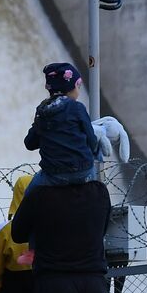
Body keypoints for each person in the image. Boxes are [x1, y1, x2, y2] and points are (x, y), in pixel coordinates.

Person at [24, 62, 100, 196]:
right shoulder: (77, 108)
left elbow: (29, 144)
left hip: (54, 175)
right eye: (78, 85)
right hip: (83, 171)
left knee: (28, 196)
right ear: (70, 87)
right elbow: (92, 140)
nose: (79, 90)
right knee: (97, 193)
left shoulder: (42, 111)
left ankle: (20, 217)